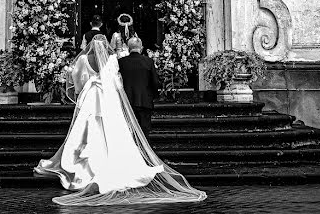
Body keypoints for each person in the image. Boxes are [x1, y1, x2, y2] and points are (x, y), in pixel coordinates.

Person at [34, 35, 206, 206]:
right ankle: (115, 163)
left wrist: (84, 89)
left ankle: (84, 167)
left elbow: (77, 83)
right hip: (107, 99)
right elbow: (117, 84)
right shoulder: (112, 60)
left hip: (90, 97)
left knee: (86, 131)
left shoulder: (84, 59)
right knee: (110, 130)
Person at [117, 36, 158, 139]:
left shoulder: (121, 62)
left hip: (127, 101)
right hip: (145, 101)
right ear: (141, 47)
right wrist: (153, 96)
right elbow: (155, 82)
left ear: (128, 48)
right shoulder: (148, 61)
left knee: (128, 132)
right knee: (144, 132)